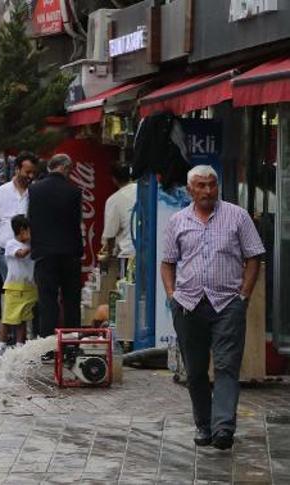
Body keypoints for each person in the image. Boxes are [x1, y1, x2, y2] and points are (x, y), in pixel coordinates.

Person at [161, 165, 264, 450]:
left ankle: (223, 429)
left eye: (212, 185)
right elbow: (168, 262)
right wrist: (172, 295)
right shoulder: (178, 221)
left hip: (227, 304)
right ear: (190, 189)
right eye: (202, 186)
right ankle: (203, 425)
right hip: (189, 306)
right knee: (194, 371)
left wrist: (243, 296)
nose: (208, 191)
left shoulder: (237, 216)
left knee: (226, 367)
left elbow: (254, 256)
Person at [27, 154, 82, 339]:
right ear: (65, 168)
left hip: (44, 253)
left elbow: (32, 219)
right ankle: (72, 343)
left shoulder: (35, 190)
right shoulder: (74, 191)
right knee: (71, 301)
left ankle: (47, 346)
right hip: (69, 252)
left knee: (47, 301)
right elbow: (76, 222)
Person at [0, 152, 38, 281]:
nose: (31, 176)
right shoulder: (1, 192)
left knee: (28, 296)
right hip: (5, 253)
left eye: (33, 173)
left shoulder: (36, 192)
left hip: (29, 254)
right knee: (11, 295)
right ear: (17, 169)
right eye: (27, 172)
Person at [0, 215, 37, 359]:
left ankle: (19, 346)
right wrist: (34, 245)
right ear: (22, 230)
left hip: (29, 287)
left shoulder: (30, 244)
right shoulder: (11, 244)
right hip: (14, 287)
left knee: (22, 318)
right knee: (8, 318)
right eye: (29, 231)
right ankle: (2, 345)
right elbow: (21, 254)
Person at [100, 164, 137, 278]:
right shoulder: (144, 191)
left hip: (128, 253)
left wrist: (106, 256)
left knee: (127, 291)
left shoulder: (114, 199)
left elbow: (110, 234)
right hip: (150, 251)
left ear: (114, 179)